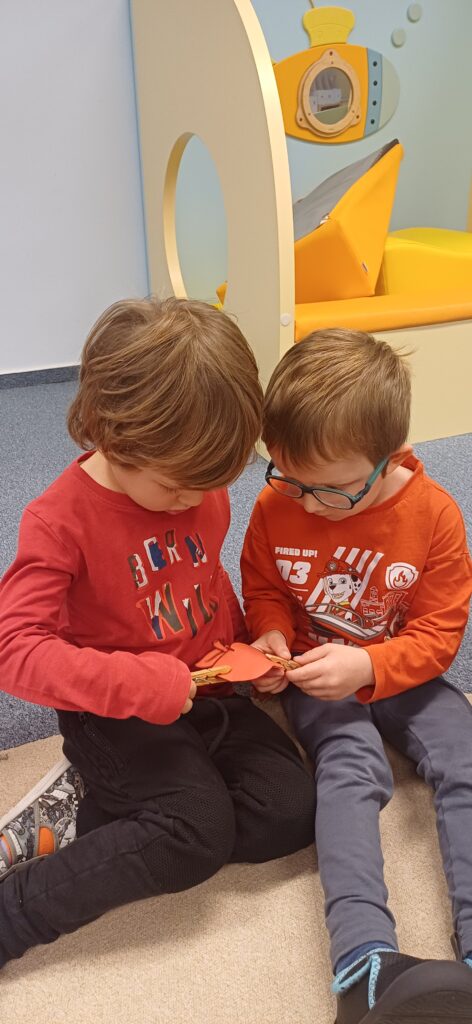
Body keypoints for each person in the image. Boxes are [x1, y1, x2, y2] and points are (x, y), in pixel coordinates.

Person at [0, 296, 315, 969]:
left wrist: (250, 641)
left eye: (210, 485)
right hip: (115, 711)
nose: (194, 501)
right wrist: (139, 683)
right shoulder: (59, 521)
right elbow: (15, 651)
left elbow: (204, 576)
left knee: (290, 811)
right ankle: (15, 910)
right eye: (176, 488)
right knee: (196, 834)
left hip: (206, 687)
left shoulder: (198, 485)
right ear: (114, 439)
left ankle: (97, 812)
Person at [241, 328, 472, 1023]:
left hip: (405, 669)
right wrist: (270, 635)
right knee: (348, 767)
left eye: (333, 490)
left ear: (390, 456)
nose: (309, 504)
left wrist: (370, 664)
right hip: (314, 670)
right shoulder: (275, 506)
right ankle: (362, 964)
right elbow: (264, 589)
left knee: (464, 755)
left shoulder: (434, 516)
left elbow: (438, 636)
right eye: (290, 479)